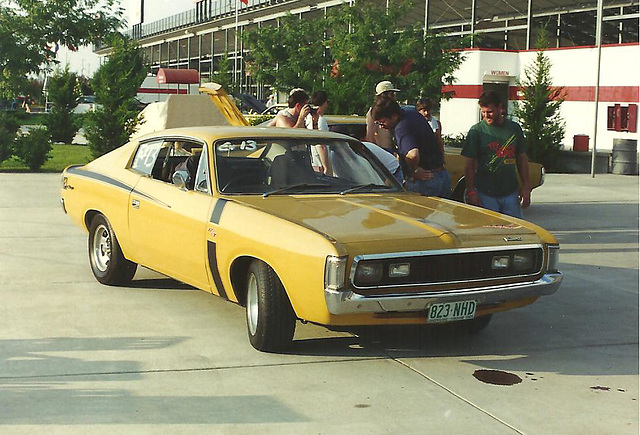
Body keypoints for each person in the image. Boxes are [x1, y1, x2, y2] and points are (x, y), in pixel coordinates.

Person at [461, 90, 531, 218]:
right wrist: (471, 191)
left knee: (513, 232)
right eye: (483, 112)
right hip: (485, 194)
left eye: (490, 112)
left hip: (510, 193)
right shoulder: (476, 131)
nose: (486, 116)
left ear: (500, 108)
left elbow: (521, 158)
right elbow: (469, 164)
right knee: (490, 232)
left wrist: (526, 187)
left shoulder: (514, 128)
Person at [372, 98, 450, 197]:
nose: (380, 127)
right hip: (442, 176)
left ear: (394, 116)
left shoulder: (401, 128)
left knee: (413, 212)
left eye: (382, 122)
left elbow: (413, 154)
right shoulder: (412, 114)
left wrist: (414, 171)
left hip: (425, 182)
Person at [365, 81, 399, 153]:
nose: (393, 96)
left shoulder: (395, 110)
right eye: (391, 94)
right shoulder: (373, 112)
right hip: (384, 150)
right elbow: (370, 137)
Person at [305, 90, 332, 175]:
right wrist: (326, 167)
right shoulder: (320, 121)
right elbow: (321, 146)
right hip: (321, 164)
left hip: (313, 163)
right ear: (324, 103)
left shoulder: (308, 119)